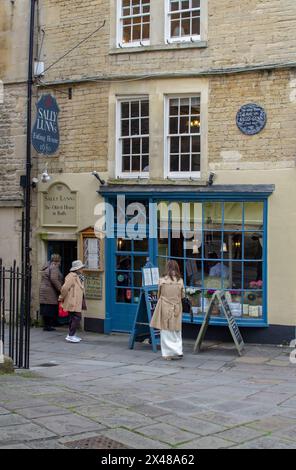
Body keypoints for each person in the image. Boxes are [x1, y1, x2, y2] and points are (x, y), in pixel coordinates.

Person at [150, 260, 185, 360]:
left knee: (165, 331)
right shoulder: (180, 281)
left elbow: (159, 295)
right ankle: (178, 351)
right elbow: (182, 295)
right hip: (177, 307)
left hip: (165, 306)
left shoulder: (162, 280)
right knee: (176, 330)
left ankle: (167, 354)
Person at [59, 260, 87, 343]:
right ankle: (71, 335)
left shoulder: (79, 276)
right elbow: (64, 288)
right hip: (73, 300)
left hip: (77, 300)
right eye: (81, 267)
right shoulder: (71, 276)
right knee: (77, 317)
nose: (82, 269)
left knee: (73, 317)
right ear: (77, 269)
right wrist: (61, 297)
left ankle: (71, 334)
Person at [39, 254, 63, 331]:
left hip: (44, 289)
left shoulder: (47, 266)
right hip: (50, 290)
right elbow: (54, 279)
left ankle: (50, 324)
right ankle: (48, 325)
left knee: (46, 307)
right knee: (50, 307)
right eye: (60, 261)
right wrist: (61, 289)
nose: (60, 263)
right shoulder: (54, 267)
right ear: (57, 261)